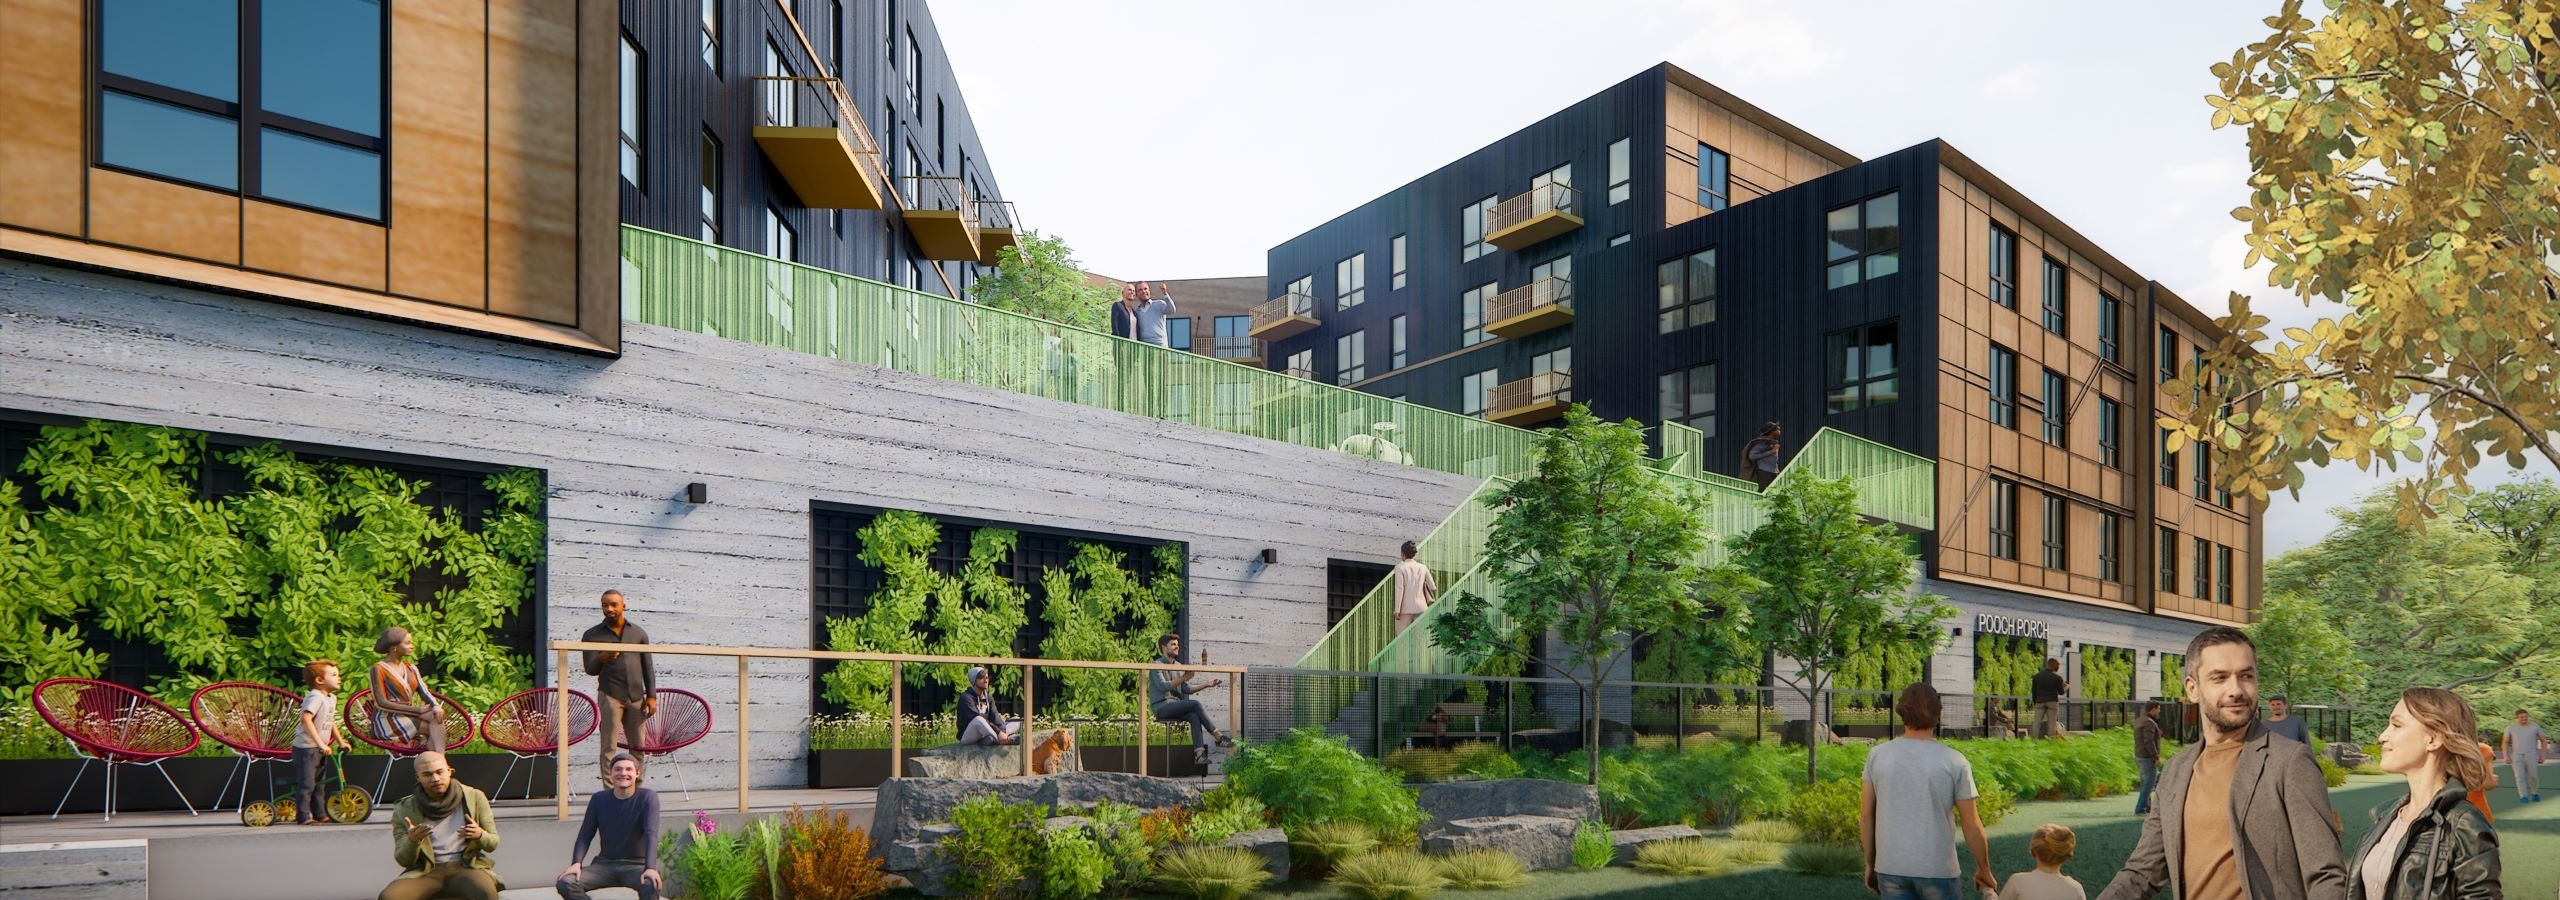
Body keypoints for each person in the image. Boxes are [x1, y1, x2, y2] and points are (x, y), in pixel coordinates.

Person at [2094, 626, 2346, 900]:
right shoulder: (2176, 770)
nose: (2235, 690)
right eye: (2220, 678)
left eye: (2246, 676)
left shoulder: (2290, 762)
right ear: (2193, 688)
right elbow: (2142, 873)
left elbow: (2327, 876)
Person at [2346, 687, 2498, 900]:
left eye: (2396, 725)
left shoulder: (2465, 824)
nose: (2382, 736)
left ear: (2433, 740)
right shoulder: (2385, 816)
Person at [1860, 683, 1997, 900]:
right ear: (1938, 713)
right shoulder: (1954, 760)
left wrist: (1870, 863)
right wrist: (1984, 869)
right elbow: (1971, 824)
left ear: (1901, 712)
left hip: (1891, 867)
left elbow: (1867, 815)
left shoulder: (1877, 755)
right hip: (1938, 869)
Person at [377, 750, 502, 900]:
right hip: (427, 871)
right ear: (418, 777)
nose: (435, 779)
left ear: (449, 771)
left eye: (439, 772)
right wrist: (412, 841)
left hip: (464, 867)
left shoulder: (474, 797)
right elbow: (403, 860)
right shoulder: (405, 807)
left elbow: (493, 843)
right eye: (427, 775)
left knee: (486, 894)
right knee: (389, 897)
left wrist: (479, 835)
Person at [557, 752, 662, 900]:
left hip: (636, 865)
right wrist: (576, 863)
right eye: (618, 769)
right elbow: (585, 835)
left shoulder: (647, 797)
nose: (623, 773)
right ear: (610, 773)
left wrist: (650, 867)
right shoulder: (598, 799)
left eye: (628, 769)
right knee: (566, 881)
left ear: (637, 773)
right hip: (605, 865)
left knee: (651, 883)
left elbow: (651, 833)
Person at [582, 589, 656, 785]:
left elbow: (647, 666)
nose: (609, 609)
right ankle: (610, 790)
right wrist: (601, 658)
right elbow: (590, 669)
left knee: (638, 745)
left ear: (624, 605)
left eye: (614, 604)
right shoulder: (592, 635)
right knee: (609, 745)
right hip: (610, 694)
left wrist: (652, 696)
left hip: (636, 696)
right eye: (605, 605)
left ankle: (636, 788)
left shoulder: (638, 633)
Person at [1147, 634, 1232, 765]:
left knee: (1194, 716)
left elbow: (1186, 689)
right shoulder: (1156, 665)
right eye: (1173, 644)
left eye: (1177, 644)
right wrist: (1184, 677)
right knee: (1195, 704)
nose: (1177, 647)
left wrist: (1207, 684)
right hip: (1161, 707)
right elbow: (1162, 686)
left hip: (1175, 705)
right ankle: (1218, 736)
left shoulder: (1179, 665)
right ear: (1164, 647)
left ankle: (1199, 755)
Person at [294, 658, 353, 825]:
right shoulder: (315, 697)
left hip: (321, 748)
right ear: (319, 680)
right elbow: (306, 719)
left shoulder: (331, 698)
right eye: (334, 675)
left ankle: (320, 814)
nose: (338, 678)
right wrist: (320, 744)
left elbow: (330, 721)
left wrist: (340, 742)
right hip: (306, 748)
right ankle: (304, 815)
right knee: (307, 784)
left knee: (319, 784)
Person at [370, 627, 449, 751]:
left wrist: (435, 705)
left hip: (408, 716)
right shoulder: (378, 669)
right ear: (393, 647)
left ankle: (438, 760)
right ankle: (439, 762)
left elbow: (424, 691)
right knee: (431, 729)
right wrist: (418, 711)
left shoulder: (411, 668)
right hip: (387, 719)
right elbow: (381, 703)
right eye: (407, 643)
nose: (412, 646)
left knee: (436, 718)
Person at [2002, 824, 2088, 900]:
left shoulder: (2017, 882)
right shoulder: (2075, 889)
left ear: (2034, 851)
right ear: (2066, 855)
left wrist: (1989, 893)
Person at [955, 666, 1020, 746]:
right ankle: (1005, 740)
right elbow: (977, 719)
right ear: (974, 681)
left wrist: (1001, 731)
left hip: (987, 732)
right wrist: (999, 733)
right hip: (968, 736)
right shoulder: (966, 698)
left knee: (1017, 720)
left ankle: (990, 740)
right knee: (978, 720)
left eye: (987, 677)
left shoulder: (989, 698)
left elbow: (995, 718)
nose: (986, 680)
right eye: (982, 678)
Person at [1391, 540, 1438, 635]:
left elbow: (1399, 589)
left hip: (1405, 608)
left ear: (1402, 554)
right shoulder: (1423, 567)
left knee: (1401, 640)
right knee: (1421, 639)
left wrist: (1397, 609)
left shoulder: (1400, 568)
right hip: (1421, 607)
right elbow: (1432, 586)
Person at [2500, 708, 2542, 803]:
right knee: (2519, 776)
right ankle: (2523, 796)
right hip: (2516, 756)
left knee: (2533, 776)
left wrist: (2542, 755)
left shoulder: (2535, 727)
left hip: (2531, 755)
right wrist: (2505, 755)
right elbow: (2505, 742)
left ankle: (2535, 793)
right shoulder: (2510, 728)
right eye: (2521, 717)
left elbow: (2543, 740)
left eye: (2526, 717)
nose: (2524, 718)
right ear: (2517, 718)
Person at [2134, 701, 2164, 817]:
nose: (2159, 711)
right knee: (2149, 783)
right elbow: (2149, 741)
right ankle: (2141, 808)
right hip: (2147, 757)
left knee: (2145, 782)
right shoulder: (2149, 723)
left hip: (2139, 755)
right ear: (2153, 709)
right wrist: (2155, 756)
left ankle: (2146, 807)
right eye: (2158, 709)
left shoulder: (2140, 720)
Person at [2031, 658, 2069, 739]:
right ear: (2055, 666)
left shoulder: (2037, 676)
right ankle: (2051, 740)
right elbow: (2061, 692)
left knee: (2036, 723)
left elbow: (2033, 691)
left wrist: (2035, 702)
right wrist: (2066, 687)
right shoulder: (2058, 677)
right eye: (2058, 666)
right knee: (2052, 723)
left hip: (2039, 701)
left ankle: (2033, 740)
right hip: (2052, 702)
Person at [2464, 741, 2498, 822]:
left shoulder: (2437, 750)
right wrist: (2493, 779)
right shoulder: (2482, 749)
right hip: (2475, 814)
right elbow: (2488, 784)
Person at [1743, 422, 1783, 489]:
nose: (1780, 431)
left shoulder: (1771, 442)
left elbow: (1772, 459)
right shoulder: (1762, 443)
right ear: (1772, 431)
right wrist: (1771, 451)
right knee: (1764, 492)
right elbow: (1752, 456)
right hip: (1764, 472)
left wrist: (1776, 469)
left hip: (1773, 472)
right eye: (1778, 430)